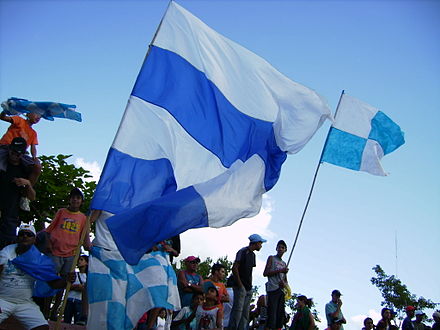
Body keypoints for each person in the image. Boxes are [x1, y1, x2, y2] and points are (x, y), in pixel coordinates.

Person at [0, 224, 74, 330]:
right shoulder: (6, 252)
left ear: (34, 239)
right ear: (17, 238)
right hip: (3, 300)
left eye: (29, 234)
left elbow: (53, 283)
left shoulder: (40, 260)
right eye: (22, 234)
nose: (25, 236)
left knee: (42, 327)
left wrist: (67, 280)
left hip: (25, 303)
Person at [44, 187, 90, 320]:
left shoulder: (83, 218)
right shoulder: (61, 212)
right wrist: (48, 243)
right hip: (55, 251)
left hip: (71, 253)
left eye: (78, 198)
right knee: (51, 281)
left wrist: (89, 247)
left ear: (81, 201)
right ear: (69, 199)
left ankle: (55, 313)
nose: (75, 200)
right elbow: (49, 229)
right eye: (73, 197)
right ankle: (46, 309)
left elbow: (84, 236)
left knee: (65, 282)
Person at [0, 137, 36, 248]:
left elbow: (32, 197)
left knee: (6, 248)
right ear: (9, 150)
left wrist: (28, 184)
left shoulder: (25, 168)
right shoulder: (2, 161)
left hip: (10, 214)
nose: (15, 155)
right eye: (13, 152)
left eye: (18, 153)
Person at [228, 233, 266, 330]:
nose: (261, 245)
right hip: (240, 286)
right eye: (260, 243)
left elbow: (250, 272)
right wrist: (240, 285)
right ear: (256, 243)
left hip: (248, 286)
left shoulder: (252, 255)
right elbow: (235, 268)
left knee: (245, 312)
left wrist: (250, 285)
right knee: (238, 311)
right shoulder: (243, 251)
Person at [263, 240, 289, 330]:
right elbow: (265, 273)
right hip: (273, 289)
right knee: (272, 315)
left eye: (282, 247)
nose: (280, 249)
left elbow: (285, 280)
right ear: (276, 248)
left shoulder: (284, 264)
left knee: (279, 316)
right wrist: (279, 271)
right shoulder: (272, 258)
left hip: (281, 290)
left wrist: (284, 284)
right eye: (279, 247)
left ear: (285, 250)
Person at [63, 255, 88, 325]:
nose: (79, 261)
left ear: (86, 263)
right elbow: (66, 285)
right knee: (66, 321)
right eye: (79, 260)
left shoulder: (88, 277)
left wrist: (82, 288)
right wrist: (77, 286)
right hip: (69, 299)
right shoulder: (74, 275)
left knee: (78, 322)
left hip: (79, 301)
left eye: (82, 260)